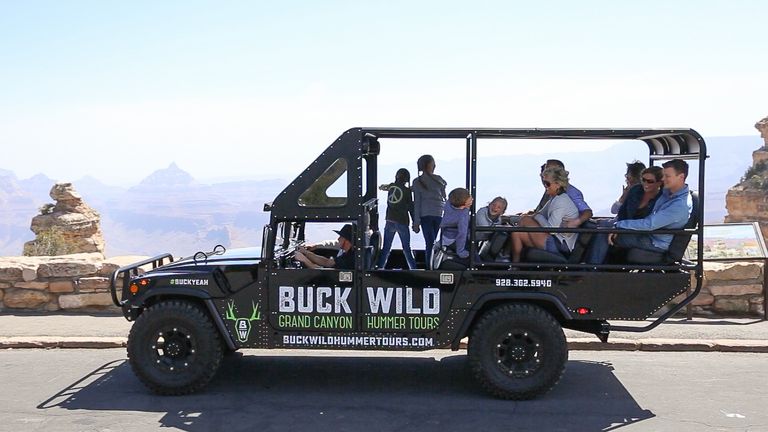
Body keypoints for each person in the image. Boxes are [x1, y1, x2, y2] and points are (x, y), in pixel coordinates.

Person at [585, 159, 692, 264]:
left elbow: (649, 224)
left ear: (681, 177)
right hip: (650, 234)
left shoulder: (679, 205)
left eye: (667, 176)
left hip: (655, 241)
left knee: (603, 233)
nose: (663, 179)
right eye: (663, 175)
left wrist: (619, 225)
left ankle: (589, 272)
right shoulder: (668, 193)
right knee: (594, 227)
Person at [510, 167, 578, 263]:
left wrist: (536, 216)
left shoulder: (561, 201)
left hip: (560, 245)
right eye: (544, 183)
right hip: (553, 240)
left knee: (526, 220)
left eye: (547, 183)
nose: (545, 186)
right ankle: (515, 266)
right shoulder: (554, 199)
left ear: (557, 184)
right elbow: (539, 214)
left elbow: (551, 229)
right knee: (516, 233)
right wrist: (510, 219)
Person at [377, 168, 417, 269]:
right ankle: (414, 269)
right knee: (406, 248)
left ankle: (380, 268)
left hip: (389, 221)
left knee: (386, 248)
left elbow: (384, 187)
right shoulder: (407, 191)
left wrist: (381, 187)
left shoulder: (391, 187)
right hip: (402, 222)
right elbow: (411, 208)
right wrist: (415, 222)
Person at [534, 159, 592, 228]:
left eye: (550, 169)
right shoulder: (551, 191)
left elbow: (587, 212)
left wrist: (576, 222)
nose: (545, 172)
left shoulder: (571, 192)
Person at [412, 154, 447, 267]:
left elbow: (416, 204)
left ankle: (430, 267)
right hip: (438, 214)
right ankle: (432, 266)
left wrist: (416, 222)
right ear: (430, 165)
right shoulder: (439, 180)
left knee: (430, 243)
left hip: (425, 215)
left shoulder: (417, 181)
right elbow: (444, 197)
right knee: (432, 242)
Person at [440, 187, 473, 260]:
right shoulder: (462, 216)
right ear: (463, 205)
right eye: (469, 199)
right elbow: (462, 234)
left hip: (445, 235)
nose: (472, 199)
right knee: (473, 254)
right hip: (453, 239)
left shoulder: (448, 204)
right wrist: (461, 251)